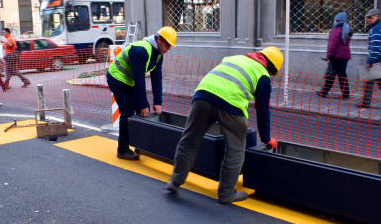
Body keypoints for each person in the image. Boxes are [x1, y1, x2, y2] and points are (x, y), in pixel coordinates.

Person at [165, 47, 282, 204]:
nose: (272, 76)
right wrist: (266, 138)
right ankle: (226, 194)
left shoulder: (234, 58)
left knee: (189, 140)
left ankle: (175, 180)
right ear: (271, 67)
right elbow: (263, 110)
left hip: (203, 96)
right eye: (273, 73)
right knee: (236, 149)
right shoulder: (263, 75)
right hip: (231, 106)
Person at [106, 26, 177, 160]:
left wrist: (157, 102)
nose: (168, 49)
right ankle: (122, 150)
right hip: (117, 78)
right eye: (167, 45)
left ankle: (140, 146)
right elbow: (140, 80)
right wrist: (143, 103)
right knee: (127, 112)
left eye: (170, 46)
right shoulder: (141, 50)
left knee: (143, 111)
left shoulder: (158, 56)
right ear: (159, 40)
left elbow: (156, 79)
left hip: (130, 81)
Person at [316, 11, 351, 99]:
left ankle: (324, 92)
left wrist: (329, 57)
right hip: (345, 56)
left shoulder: (336, 30)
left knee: (331, 74)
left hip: (337, 56)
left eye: (335, 20)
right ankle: (346, 93)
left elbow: (332, 45)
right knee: (342, 74)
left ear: (338, 20)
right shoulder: (347, 30)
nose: (334, 21)